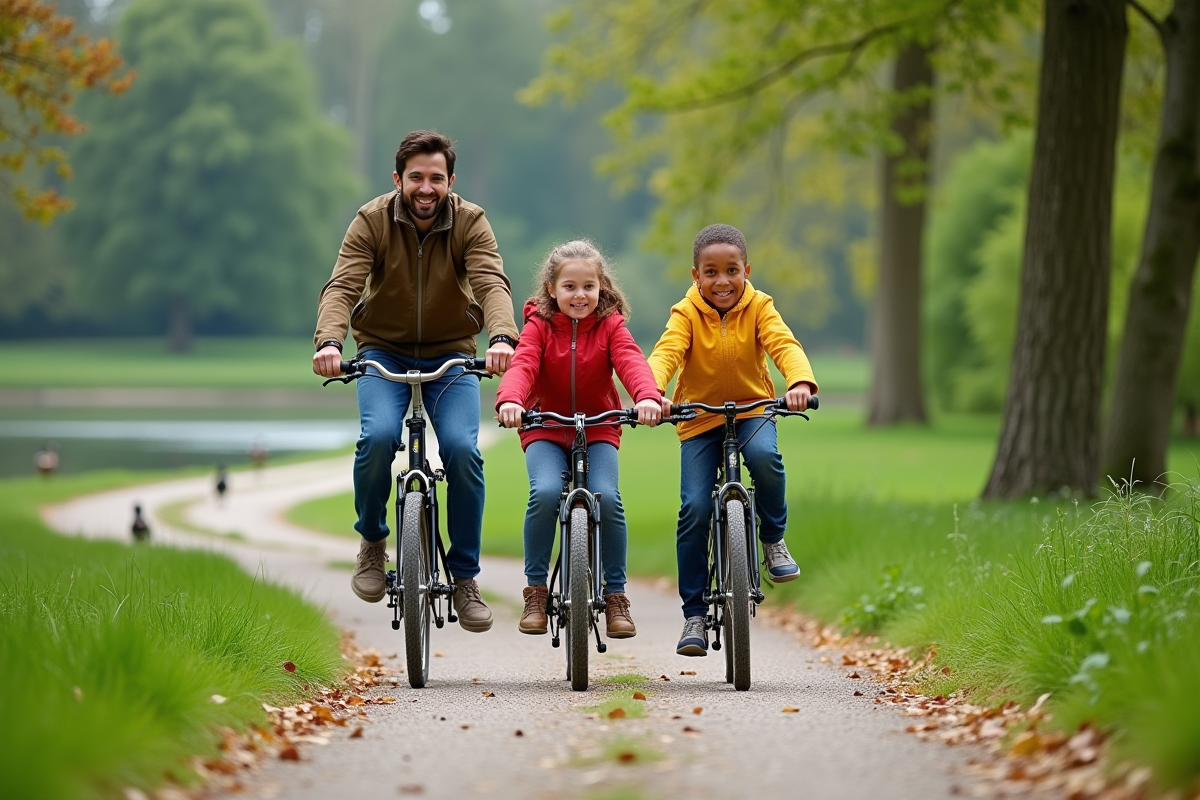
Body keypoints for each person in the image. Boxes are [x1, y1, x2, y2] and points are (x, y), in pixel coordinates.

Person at [312, 130, 519, 633]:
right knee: (378, 437)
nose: (426, 188)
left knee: (463, 451)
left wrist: (503, 338)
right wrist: (330, 343)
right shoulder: (372, 220)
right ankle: (373, 542)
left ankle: (465, 578)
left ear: (450, 181)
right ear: (398, 179)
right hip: (382, 352)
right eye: (416, 178)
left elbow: (492, 282)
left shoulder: (471, 222)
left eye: (436, 178)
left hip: (453, 355)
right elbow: (344, 284)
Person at [648, 223, 817, 657]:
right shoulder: (684, 314)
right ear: (695, 275)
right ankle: (694, 614)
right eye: (710, 272)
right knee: (695, 507)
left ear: (746, 270)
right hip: (699, 417)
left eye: (731, 270)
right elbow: (666, 352)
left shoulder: (760, 307)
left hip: (753, 408)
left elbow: (784, 345)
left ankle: (772, 540)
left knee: (765, 459)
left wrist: (798, 382)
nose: (721, 281)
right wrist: (652, 394)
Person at [495, 240, 662, 639]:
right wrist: (511, 401)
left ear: (601, 287)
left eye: (588, 286)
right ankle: (536, 591)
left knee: (607, 494)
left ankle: (616, 596)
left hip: (600, 425)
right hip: (545, 426)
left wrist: (647, 398)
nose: (579, 295)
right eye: (569, 286)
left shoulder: (610, 325)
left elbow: (630, 360)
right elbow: (523, 364)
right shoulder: (539, 325)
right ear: (551, 289)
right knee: (546, 491)